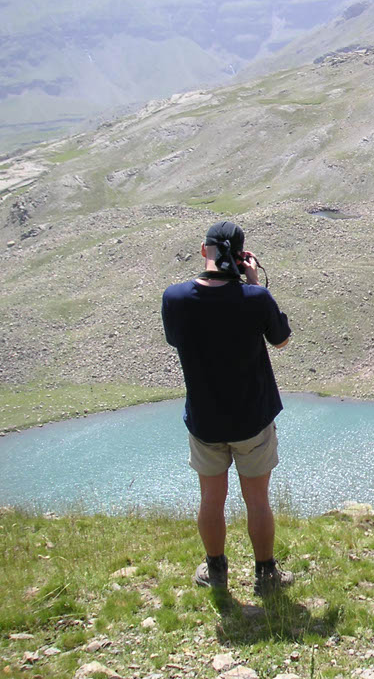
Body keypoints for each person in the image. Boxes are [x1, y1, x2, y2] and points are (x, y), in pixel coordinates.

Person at [161, 220, 293, 596]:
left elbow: (176, 340)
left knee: (211, 498)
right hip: (252, 419)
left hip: (205, 421)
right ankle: (265, 574)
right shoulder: (254, 299)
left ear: (204, 252)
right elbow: (281, 341)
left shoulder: (175, 298)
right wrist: (252, 284)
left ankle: (216, 570)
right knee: (257, 500)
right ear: (240, 256)